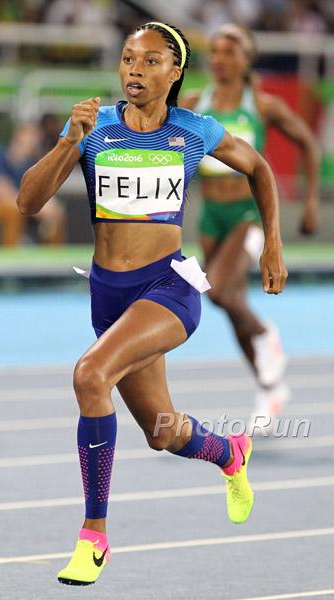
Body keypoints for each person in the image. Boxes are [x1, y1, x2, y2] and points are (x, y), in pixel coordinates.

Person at [17, 22, 287, 586]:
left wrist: (273, 245)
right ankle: (229, 452)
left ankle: (94, 537)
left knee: (90, 375)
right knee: (163, 432)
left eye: (149, 61)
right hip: (108, 295)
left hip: (168, 288)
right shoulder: (93, 126)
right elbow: (27, 203)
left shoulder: (194, 130)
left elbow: (260, 168)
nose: (134, 70)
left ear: (175, 72)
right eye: (127, 59)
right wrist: (68, 140)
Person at [180, 24, 319, 430]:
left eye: (230, 51)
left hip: (247, 213)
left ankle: (265, 332)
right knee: (228, 304)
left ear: (247, 59)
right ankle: (268, 386)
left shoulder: (262, 105)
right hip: (211, 216)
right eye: (215, 51)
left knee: (219, 291)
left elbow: (308, 144)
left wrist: (310, 202)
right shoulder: (194, 103)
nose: (220, 58)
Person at [0, 123, 65, 246]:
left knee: (55, 212)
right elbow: (1, 192)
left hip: (20, 205)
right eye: (27, 140)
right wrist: (36, 208)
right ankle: (10, 255)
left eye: (34, 141)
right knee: (12, 210)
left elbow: (40, 190)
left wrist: (49, 205)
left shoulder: (32, 162)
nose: (31, 144)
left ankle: (53, 255)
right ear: (16, 139)